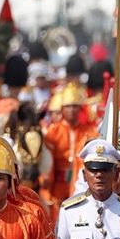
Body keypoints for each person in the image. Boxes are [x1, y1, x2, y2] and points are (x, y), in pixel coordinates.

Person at [44, 83, 98, 220]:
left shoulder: (89, 132)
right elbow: (47, 163)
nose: (71, 110)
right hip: (58, 186)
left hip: (81, 184)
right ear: (62, 109)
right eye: (68, 106)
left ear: (80, 109)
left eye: (75, 106)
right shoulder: (53, 132)